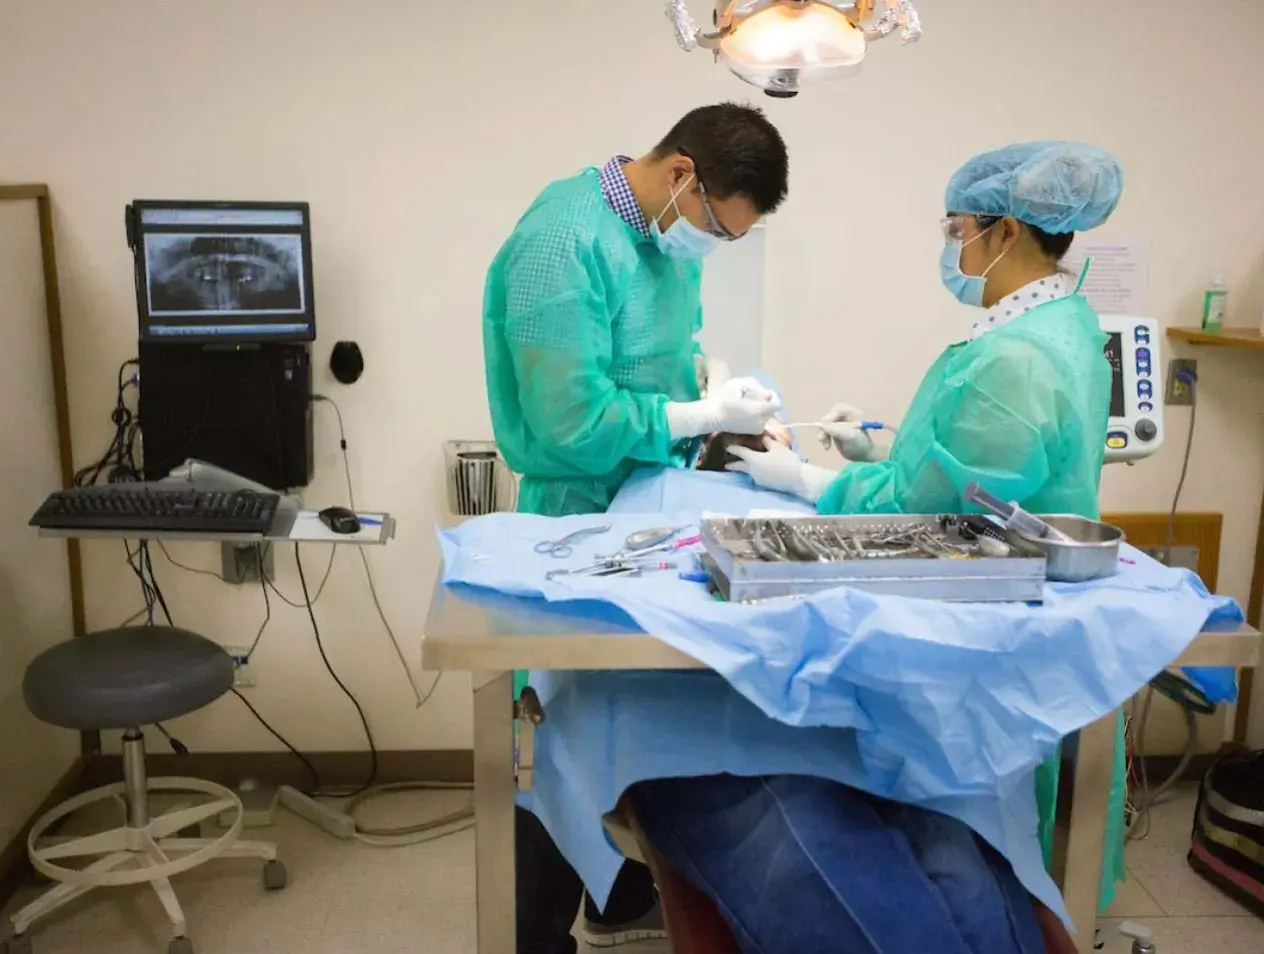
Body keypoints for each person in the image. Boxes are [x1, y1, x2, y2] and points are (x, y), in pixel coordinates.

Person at [610, 141, 1123, 952]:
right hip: (989, 584)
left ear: (1008, 232)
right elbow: (965, 474)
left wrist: (809, 482)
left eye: (958, 227)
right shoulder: (1056, 323)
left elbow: (929, 512)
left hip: (992, 616)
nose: (952, 245)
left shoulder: (1017, 353)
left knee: (959, 841)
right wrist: (876, 454)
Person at [482, 102, 790, 952]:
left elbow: (665, 353)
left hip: (645, 504)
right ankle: (536, 936)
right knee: (558, 727)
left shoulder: (663, 239)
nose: (715, 247)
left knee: (628, 715)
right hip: (577, 513)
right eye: (718, 229)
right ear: (682, 174)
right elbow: (569, 423)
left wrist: (717, 395)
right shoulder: (564, 242)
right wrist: (695, 415)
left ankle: (616, 895)